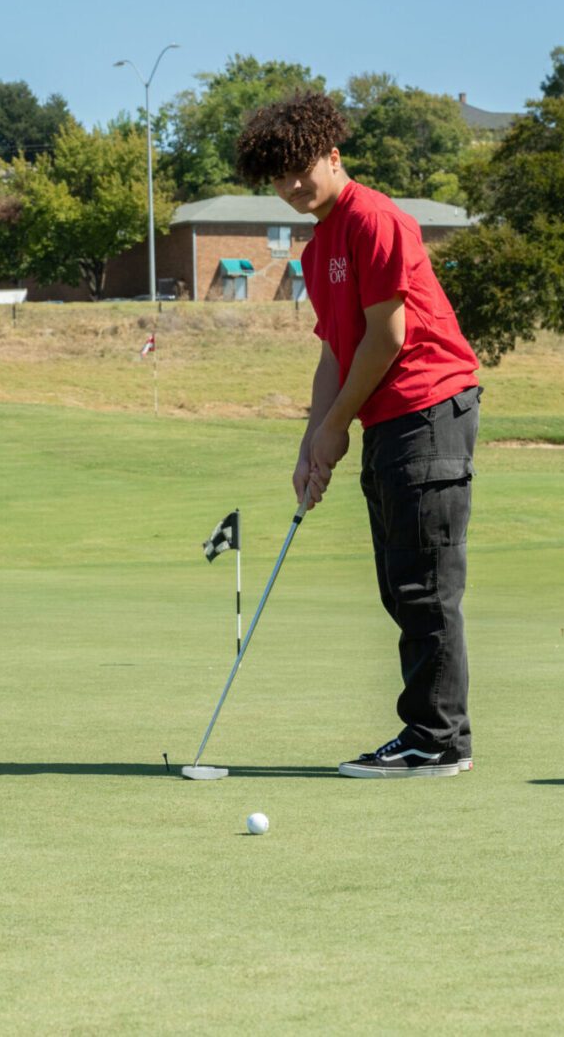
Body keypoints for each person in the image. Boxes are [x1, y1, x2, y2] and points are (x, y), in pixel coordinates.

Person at [235, 91, 481, 779]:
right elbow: (334, 354)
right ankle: (429, 733)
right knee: (401, 584)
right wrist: (311, 440)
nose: (288, 188)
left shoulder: (375, 220)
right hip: (388, 417)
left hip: (427, 407)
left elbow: (386, 338)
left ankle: (436, 739)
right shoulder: (316, 252)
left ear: (332, 155)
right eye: (275, 179)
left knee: (424, 585)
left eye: (297, 171)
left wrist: (337, 424)